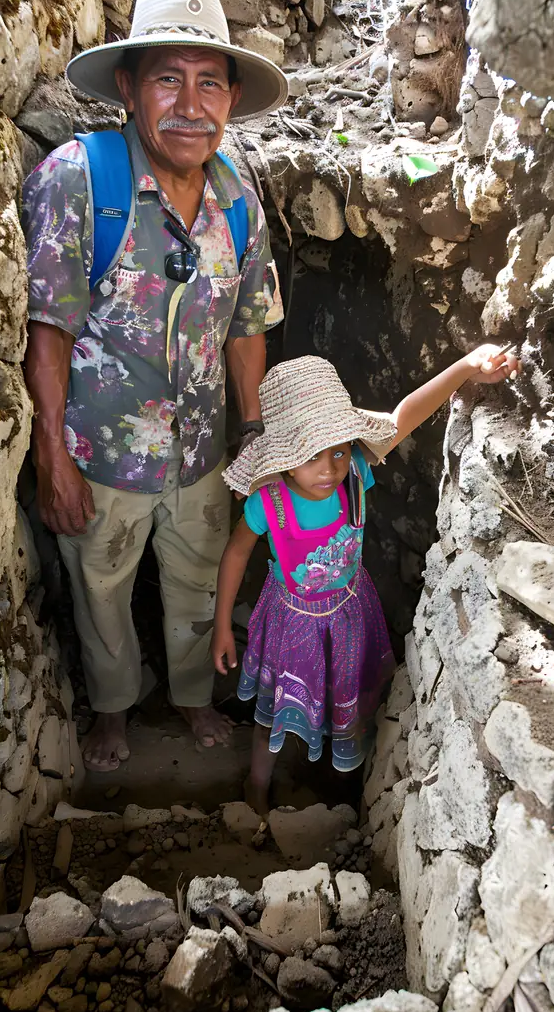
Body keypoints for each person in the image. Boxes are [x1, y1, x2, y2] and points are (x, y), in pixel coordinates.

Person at [21, 0, 287, 771]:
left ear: (231, 101)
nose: (190, 104)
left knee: (200, 589)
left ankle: (192, 699)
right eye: (168, 79)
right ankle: (111, 710)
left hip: (203, 451)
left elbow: (247, 328)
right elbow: (48, 331)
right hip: (100, 453)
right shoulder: (80, 180)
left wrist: (251, 433)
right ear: (130, 88)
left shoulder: (239, 206)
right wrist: (52, 455)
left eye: (210, 83)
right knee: (101, 591)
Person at [212, 347, 520, 815]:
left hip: (351, 614)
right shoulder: (267, 502)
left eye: (338, 450)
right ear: (283, 457)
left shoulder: (355, 472)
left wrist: (463, 369)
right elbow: (235, 554)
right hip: (291, 626)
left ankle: (344, 790)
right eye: (312, 455)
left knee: (349, 699)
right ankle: (258, 784)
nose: (330, 467)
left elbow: (403, 418)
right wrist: (220, 625)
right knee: (276, 710)